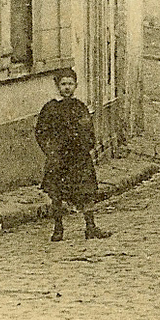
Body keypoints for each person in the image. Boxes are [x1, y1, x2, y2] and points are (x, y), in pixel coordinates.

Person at [34, 68, 112, 242]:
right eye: (63, 84)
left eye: (70, 84)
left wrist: (86, 145)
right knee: (57, 194)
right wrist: (50, 150)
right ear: (57, 86)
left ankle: (90, 227)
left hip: (79, 158)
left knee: (87, 192)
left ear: (75, 86)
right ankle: (58, 228)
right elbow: (40, 132)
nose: (67, 88)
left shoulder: (79, 106)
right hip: (59, 159)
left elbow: (88, 129)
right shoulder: (50, 108)